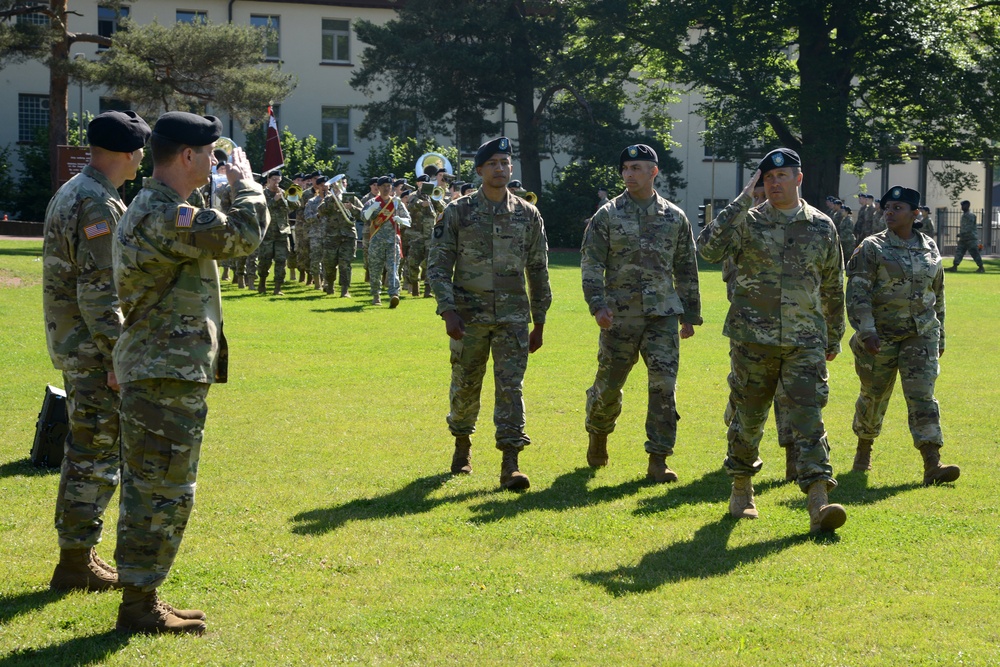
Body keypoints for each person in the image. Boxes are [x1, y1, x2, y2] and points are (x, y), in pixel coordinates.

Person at [112, 111, 267, 634]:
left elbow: (208, 228)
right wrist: (247, 187)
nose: (214, 162)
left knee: (156, 486)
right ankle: (138, 605)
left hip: (164, 370)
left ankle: (143, 595)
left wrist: (220, 189)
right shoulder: (163, 215)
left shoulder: (166, 208)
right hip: (163, 373)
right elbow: (241, 236)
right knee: (161, 491)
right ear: (186, 156)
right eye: (208, 154)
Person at [697, 148, 847, 534]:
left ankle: (818, 501)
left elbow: (832, 283)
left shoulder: (822, 226)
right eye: (767, 178)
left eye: (782, 176)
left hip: (805, 340)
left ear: (799, 179)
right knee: (748, 419)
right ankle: (742, 488)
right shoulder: (747, 222)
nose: (774, 183)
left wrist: (834, 332)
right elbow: (708, 248)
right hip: (753, 339)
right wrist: (743, 199)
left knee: (809, 419)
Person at [43, 110, 150, 592]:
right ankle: (74, 562)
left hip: (78, 345)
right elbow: (101, 293)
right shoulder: (95, 202)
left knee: (88, 448)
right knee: (94, 453)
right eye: (140, 151)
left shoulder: (80, 191)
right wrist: (116, 358)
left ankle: (78, 553)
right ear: (127, 153)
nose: (143, 160)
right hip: (93, 351)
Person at [427, 136, 552, 491]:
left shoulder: (528, 215)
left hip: (513, 317)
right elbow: (437, 264)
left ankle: (510, 463)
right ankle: (462, 443)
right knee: (466, 384)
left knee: (511, 388)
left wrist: (539, 322)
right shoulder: (458, 212)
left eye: (505, 163)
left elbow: (539, 270)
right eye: (493, 163)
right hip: (469, 318)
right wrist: (448, 310)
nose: (500, 169)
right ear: (480, 170)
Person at [580, 144, 702, 482]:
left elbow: (686, 267)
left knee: (663, 387)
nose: (629, 174)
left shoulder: (675, 217)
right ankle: (598, 433)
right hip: (619, 317)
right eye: (626, 168)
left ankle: (658, 458)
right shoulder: (607, 215)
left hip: (662, 316)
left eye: (637, 168)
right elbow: (591, 264)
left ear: (654, 172)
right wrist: (597, 305)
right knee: (608, 386)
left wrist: (690, 314)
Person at [846, 186, 960, 485]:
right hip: (880, 336)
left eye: (898, 207)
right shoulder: (871, 246)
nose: (890, 212)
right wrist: (866, 330)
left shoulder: (930, 248)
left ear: (915, 213)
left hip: (921, 334)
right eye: (887, 207)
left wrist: (941, 336)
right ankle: (864, 447)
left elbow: (938, 294)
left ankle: (932, 463)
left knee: (922, 396)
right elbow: (858, 292)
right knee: (874, 395)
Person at [721, 176, 799, 483]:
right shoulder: (742, 227)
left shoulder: (795, 226)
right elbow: (727, 270)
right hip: (749, 327)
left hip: (790, 327)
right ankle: (739, 448)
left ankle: (793, 457)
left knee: (788, 395)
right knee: (744, 392)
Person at [362, 175, 410, 306]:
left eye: (389, 186)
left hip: (392, 241)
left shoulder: (396, 202)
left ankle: (394, 294)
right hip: (376, 241)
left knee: (393, 268)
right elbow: (364, 217)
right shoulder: (372, 202)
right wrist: (372, 209)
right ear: (378, 187)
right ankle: (376, 295)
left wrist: (400, 220)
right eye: (384, 186)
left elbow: (408, 220)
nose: (386, 189)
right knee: (375, 269)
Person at [258, 170, 301, 295]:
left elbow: (296, 206)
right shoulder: (262, 194)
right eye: (274, 179)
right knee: (265, 260)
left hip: (282, 232)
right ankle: (262, 283)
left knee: (281, 260)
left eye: (278, 179)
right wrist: (274, 200)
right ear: (268, 180)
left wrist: (286, 197)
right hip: (267, 232)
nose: (276, 182)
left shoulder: (283, 193)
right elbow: (260, 209)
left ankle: (278, 287)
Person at [319, 174, 359, 297]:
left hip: (348, 236)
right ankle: (330, 285)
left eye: (343, 183)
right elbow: (320, 211)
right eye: (337, 184)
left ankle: (345, 290)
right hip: (331, 236)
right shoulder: (329, 199)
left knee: (345, 263)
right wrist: (332, 201)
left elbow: (363, 214)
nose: (339, 186)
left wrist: (352, 208)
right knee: (329, 263)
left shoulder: (352, 198)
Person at [947, 200, 985, 273]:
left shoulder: (971, 215)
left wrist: (961, 234)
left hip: (971, 238)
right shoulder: (964, 216)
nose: (962, 207)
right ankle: (954, 266)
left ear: (967, 206)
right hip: (964, 239)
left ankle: (981, 267)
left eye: (963, 205)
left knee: (974, 253)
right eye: (961, 206)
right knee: (959, 252)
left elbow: (969, 227)